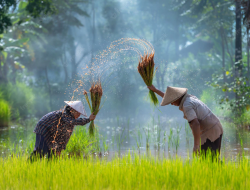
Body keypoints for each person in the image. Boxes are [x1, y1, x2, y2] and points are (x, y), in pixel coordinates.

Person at [148, 85, 223, 157]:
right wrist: (155, 90)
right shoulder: (189, 98)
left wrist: (196, 145)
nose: (171, 103)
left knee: (211, 160)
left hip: (210, 132)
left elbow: (195, 124)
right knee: (209, 160)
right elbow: (171, 98)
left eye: (172, 101)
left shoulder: (187, 105)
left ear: (177, 98)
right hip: (214, 127)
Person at [30, 101, 96, 159]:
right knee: (41, 150)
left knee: (53, 154)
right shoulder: (65, 114)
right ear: (72, 110)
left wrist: (60, 148)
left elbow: (65, 136)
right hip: (44, 128)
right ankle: (29, 164)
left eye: (80, 114)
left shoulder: (69, 120)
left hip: (52, 132)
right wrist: (88, 119)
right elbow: (72, 121)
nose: (79, 115)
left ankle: (50, 169)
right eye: (78, 113)